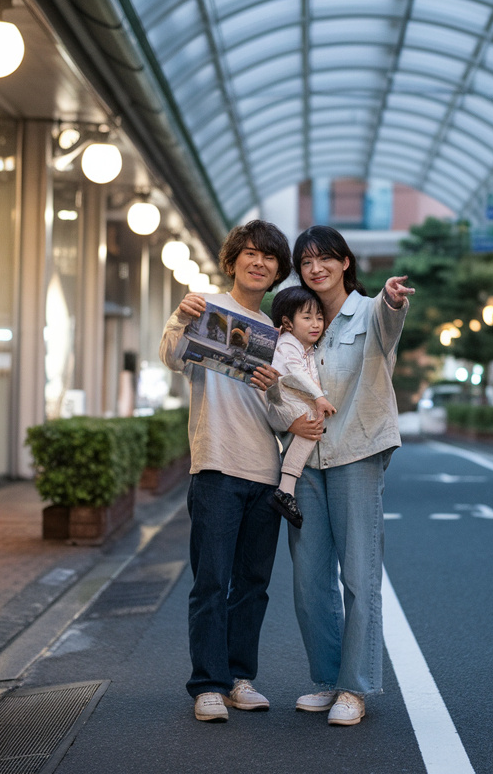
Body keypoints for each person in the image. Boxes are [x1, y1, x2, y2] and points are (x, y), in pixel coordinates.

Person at [159, 219, 319, 723]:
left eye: (269, 257)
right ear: (232, 261)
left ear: (278, 272)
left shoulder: (277, 333)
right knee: (211, 580)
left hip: (265, 471)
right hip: (215, 465)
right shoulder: (205, 306)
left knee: (252, 583)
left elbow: (276, 412)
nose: (259, 262)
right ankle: (207, 684)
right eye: (250, 253)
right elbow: (171, 357)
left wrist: (279, 396)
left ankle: (239, 678)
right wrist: (180, 317)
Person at [284, 225, 414, 727]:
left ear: (345, 262)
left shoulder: (369, 311)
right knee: (309, 580)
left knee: (358, 576)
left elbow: (389, 318)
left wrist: (393, 299)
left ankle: (355, 688)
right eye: (306, 261)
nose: (315, 268)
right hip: (304, 459)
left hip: (356, 452)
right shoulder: (297, 319)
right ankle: (329, 680)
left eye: (325, 259)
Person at [266, 286, 336, 526]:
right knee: (312, 422)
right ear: (287, 323)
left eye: (319, 317)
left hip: (290, 402)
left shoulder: (308, 349)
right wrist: (319, 397)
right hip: (278, 402)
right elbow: (297, 373)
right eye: (307, 318)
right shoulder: (287, 343)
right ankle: (285, 488)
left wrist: (318, 397)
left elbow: (312, 375)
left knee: (313, 426)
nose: (316, 324)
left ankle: (286, 489)